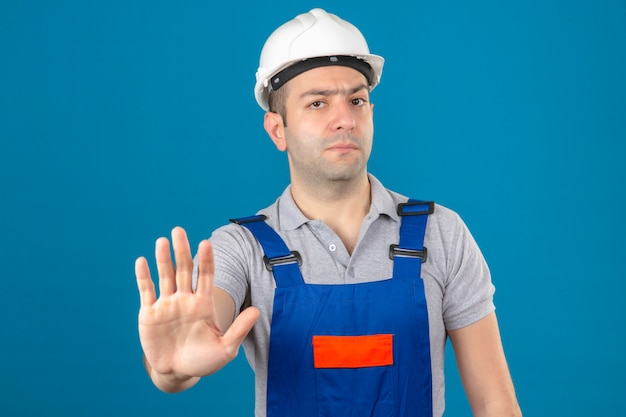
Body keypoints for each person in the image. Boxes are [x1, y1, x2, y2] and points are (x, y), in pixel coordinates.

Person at [134, 8, 522, 417]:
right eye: (318, 103)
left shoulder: (440, 233)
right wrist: (173, 368)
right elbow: (195, 336)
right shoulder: (240, 248)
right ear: (277, 130)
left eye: (357, 100)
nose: (345, 120)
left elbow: (496, 403)